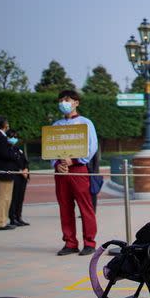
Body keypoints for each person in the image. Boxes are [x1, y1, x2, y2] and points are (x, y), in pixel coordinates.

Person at [51, 90, 98, 256]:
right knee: (65, 207)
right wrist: (57, 164)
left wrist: (75, 160)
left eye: (68, 99)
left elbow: (92, 147)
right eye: (62, 99)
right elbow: (51, 148)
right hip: (61, 172)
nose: (64, 102)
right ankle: (70, 243)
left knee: (85, 207)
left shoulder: (86, 123)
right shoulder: (56, 126)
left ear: (76, 102)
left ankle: (89, 242)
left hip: (78, 169)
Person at [6, 129, 30, 227]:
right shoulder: (7, 149)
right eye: (12, 136)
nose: (14, 138)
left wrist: (26, 170)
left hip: (22, 177)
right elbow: (9, 163)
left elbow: (25, 161)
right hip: (15, 176)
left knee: (20, 198)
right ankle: (12, 218)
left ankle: (19, 217)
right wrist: (20, 170)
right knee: (14, 198)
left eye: (16, 137)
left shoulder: (18, 149)